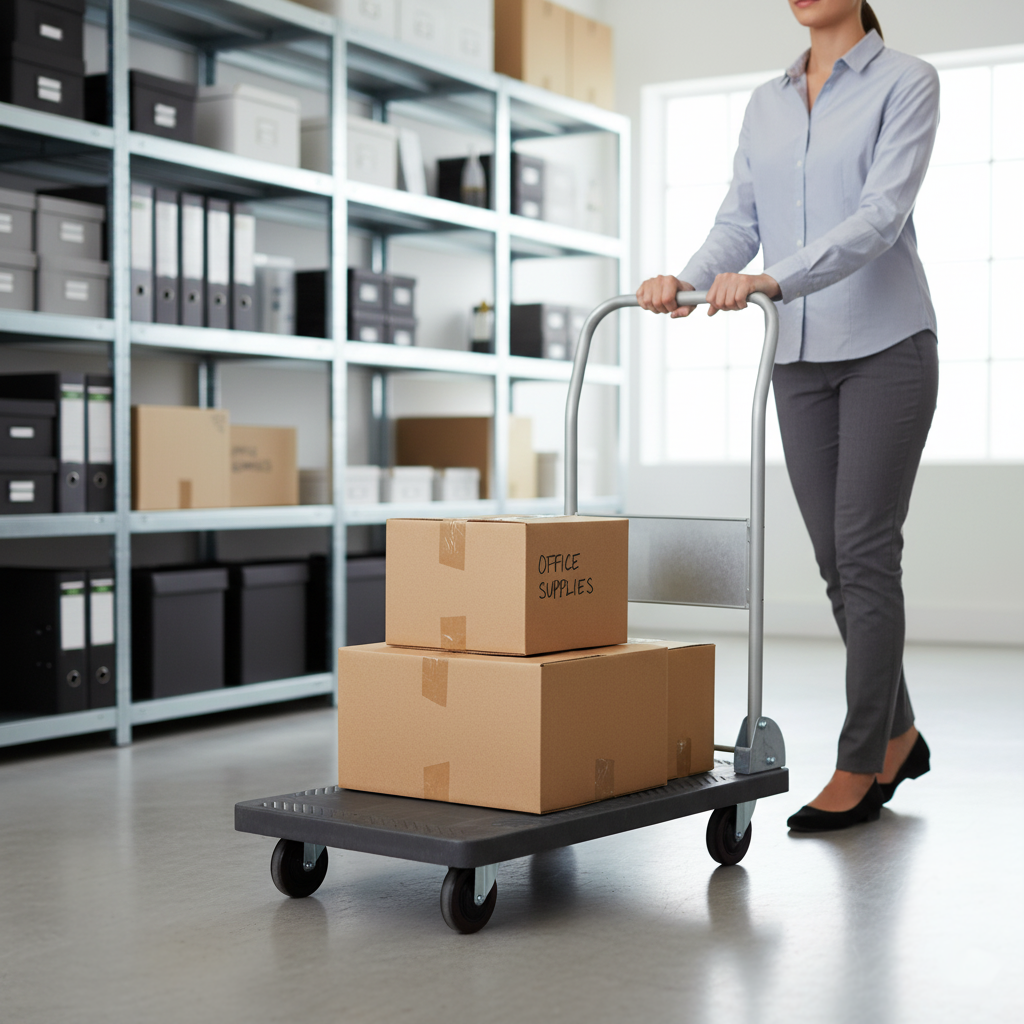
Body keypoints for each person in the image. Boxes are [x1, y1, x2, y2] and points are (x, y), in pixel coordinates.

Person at [637, 0, 937, 832]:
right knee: (838, 561)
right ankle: (900, 732)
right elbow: (743, 217)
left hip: (886, 346)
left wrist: (776, 279)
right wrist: (687, 279)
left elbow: (881, 217)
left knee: (867, 553)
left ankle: (859, 764)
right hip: (799, 359)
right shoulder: (767, 102)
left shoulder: (907, 82)